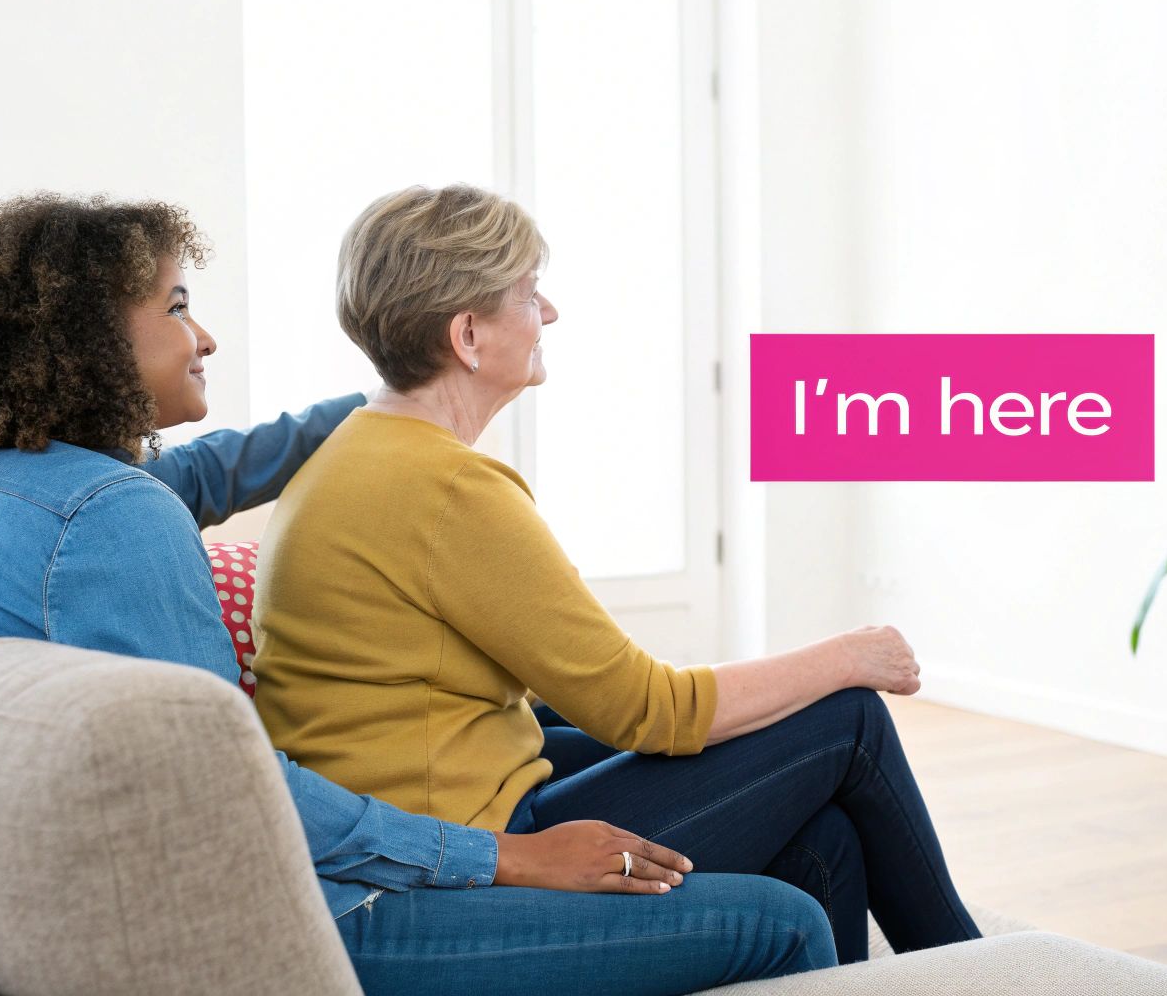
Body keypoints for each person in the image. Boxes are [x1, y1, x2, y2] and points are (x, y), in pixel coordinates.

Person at [0, 193, 838, 996]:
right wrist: (508, 860)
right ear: (86, 341)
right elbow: (237, 792)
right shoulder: (113, 525)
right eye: (174, 308)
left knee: (816, 822)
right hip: (333, 915)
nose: (202, 333)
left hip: (296, 861)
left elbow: (201, 475)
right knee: (784, 920)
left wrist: (389, 401)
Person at [253, 184, 983, 964]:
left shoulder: (350, 457)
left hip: (443, 805)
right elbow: (646, 709)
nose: (551, 314)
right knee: (849, 718)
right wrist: (845, 657)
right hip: (456, 853)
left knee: (824, 840)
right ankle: (983, 975)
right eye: (529, 295)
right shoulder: (448, 489)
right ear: (468, 334)